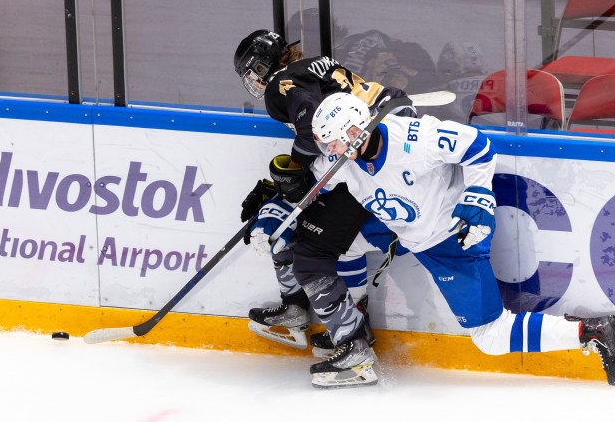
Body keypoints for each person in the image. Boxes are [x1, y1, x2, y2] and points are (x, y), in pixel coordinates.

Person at [306, 91, 615, 388]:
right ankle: (354, 324)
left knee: (489, 337)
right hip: (405, 230)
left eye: (334, 142)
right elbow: (314, 175)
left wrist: (479, 195)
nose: (332, 151)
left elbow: (478, 146)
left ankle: (592, 331)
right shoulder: (343, 161)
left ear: (355, 131)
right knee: (334, 249)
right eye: (327, 144)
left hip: (452, 237)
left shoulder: (414, 139)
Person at [233, 29, 415, 364]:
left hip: (366, 157)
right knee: (338, 243)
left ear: (262, 67)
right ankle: (343, 321)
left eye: (253, 73)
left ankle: (347, 337)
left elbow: (311, 128)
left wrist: (294, 172)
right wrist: (287, 179)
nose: (256, 83)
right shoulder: (313, 66)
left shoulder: (280, 85)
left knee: (300, 238)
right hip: (388, 144)